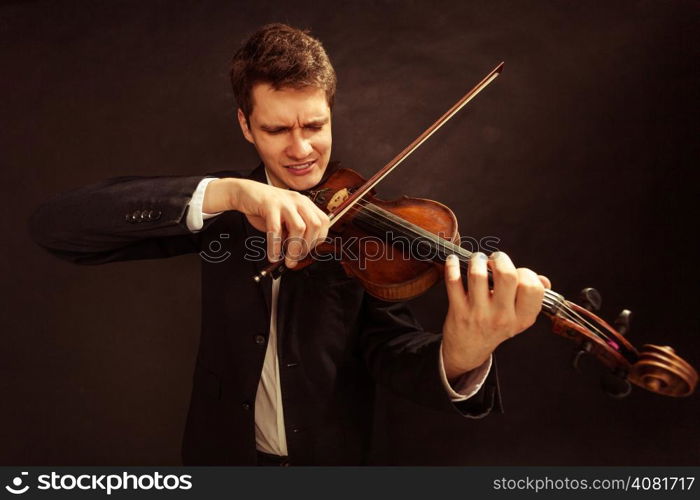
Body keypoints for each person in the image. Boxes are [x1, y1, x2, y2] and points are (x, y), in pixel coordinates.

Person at [29, 23, 550, 466]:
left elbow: (389, 353)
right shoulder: (225, 210)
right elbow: (59, 227)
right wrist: (230, 193)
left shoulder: (366, 232)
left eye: (315, 125)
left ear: (330, 111)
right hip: (222, 457)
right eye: (278, 129)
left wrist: (463, 352)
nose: (301, 150)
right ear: (246, 125)